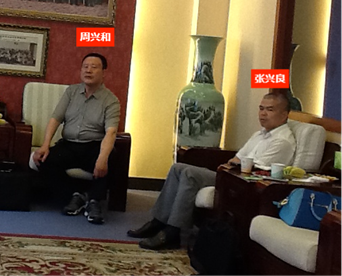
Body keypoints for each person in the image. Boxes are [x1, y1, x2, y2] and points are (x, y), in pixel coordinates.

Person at [129, 91, 297, 250]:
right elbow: (236, 159)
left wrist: (235, 165)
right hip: (231, 175)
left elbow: (254, 170)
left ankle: (173, 231)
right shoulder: (260, 134)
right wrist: (235, 164)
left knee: (189, 174)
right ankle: (158, 222)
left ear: (284, 114)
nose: (263, 114)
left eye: (270, 110)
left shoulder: (282, 141)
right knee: (177, 168)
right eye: (261, 108)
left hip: (241, 184)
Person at [31, 53, 120, 225]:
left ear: (104, 73)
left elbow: (111, 132)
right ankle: (75, 195)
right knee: (44, 160)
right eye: (85, 66)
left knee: (110, 157)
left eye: (94, 67)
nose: (88, 70)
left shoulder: (111, 100)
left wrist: (102, 158)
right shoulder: (71, 92)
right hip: (69, 145)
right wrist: (45, 145)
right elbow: (55, 118)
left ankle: (94, 201)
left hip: (93, 146)